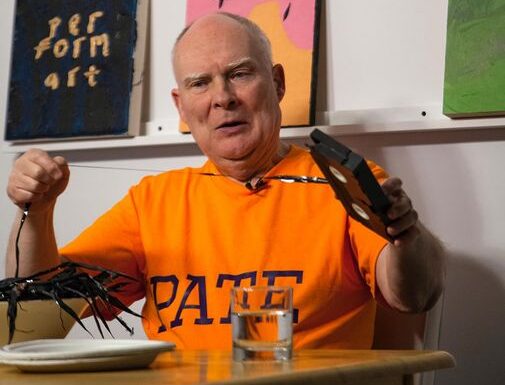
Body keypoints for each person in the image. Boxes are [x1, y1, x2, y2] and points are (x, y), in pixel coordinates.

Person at [5, 12, 445, 349]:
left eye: (239, 74)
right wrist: (37, 213)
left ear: (276, 82)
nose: (222, 98)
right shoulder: (153, 203)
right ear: (181, 106)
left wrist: (405, 237)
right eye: (200, 83)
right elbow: (39, 314)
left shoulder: (342, 183)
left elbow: (413, 296)